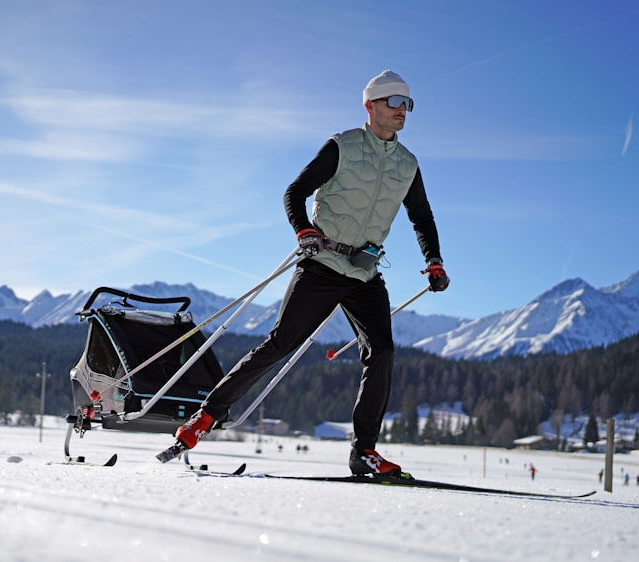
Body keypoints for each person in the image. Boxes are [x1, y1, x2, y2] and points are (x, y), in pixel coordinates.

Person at [170, 70, 449, 478]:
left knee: (383, 352)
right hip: (323, 262)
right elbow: (294, 191)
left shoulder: (408, 164)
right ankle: (206, 416)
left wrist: (434, 260)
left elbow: (421, 217)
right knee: (280, 344)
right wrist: (304, 230)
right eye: (393, 102)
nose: (401, 110)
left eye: (407, 104)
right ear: (370, 106)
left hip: (364, 271)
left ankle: (364, 451)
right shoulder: (343, 146)